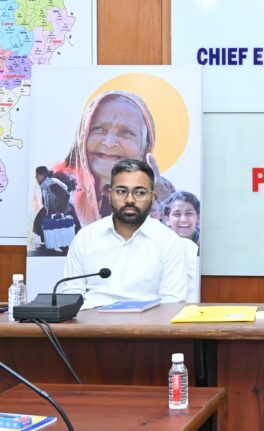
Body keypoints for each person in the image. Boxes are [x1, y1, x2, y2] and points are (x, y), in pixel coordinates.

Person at [60, 159, 186, 309]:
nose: (130, 200)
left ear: (152, 197)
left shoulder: (168, 241)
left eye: (140, 192)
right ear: (110, 194)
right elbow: (72, 293)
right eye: (121, 191)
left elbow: (171, 302)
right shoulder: (86, 237)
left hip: (148, 321)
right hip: (92, 320)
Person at [50, 90, 175, 227]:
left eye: (126, 132)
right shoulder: (56, 185)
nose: (109, 143)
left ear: (145, 148)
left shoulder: (163, 194)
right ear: (83, 137)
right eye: (98, 129)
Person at [32, 166, 82, 250]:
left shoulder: (51, 185)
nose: (36, 177)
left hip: (66, 211)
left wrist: (59, 210)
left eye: (37, 175)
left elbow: (65, 195)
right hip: (56, 210)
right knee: (41, 222)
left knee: (70, 234)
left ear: (42, 175)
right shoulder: (45, 185)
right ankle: (47, 243)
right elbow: (48, 201)